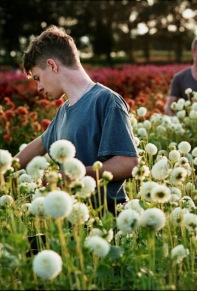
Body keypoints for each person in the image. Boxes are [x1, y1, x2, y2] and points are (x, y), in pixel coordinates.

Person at [15, 25, 139, 215]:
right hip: (74, 221)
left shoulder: (106, 100)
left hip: (108, 219)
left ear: (52, 65)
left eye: (38, 78)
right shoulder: (63, 112)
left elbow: (128, 163)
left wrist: (74, 175)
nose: (39, 88)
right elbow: (39, 145)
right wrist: (4, 171)